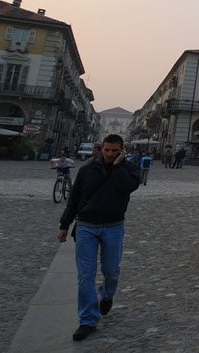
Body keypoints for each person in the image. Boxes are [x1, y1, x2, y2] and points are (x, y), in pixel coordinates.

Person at [58, 134, 141, 342]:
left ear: (122, 151)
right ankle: (87, 319)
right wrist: (64, 225)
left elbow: (127, 188)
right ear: (101, 149)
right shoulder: (87, 170)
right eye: (107, 150)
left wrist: (118, 167)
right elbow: (74, 198)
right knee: (85, 275)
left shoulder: (130, 170)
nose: (110, 154)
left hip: (113, 227)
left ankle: (107, 294)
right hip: (87, 226)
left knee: (111, 270)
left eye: (115, 151)